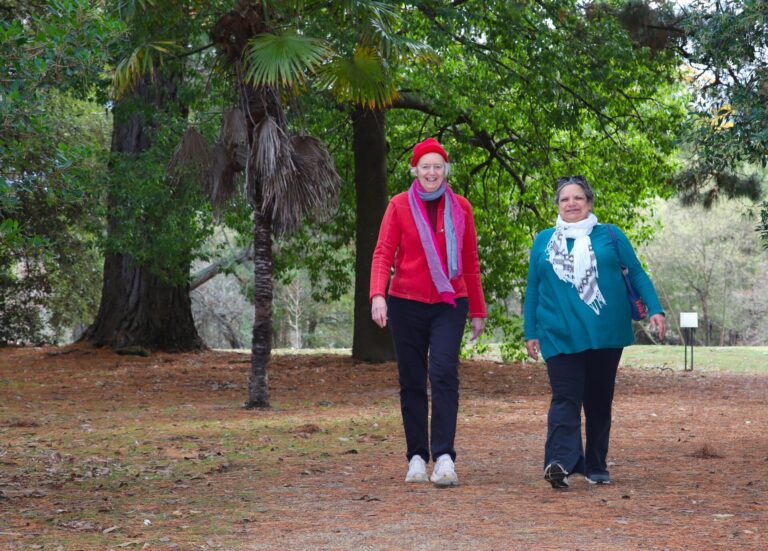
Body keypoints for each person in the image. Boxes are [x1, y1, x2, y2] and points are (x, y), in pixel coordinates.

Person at [523, 175, 667, 489]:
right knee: (565, 397)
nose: (571, 204)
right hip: (558, 332)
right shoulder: (543, 241)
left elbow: (638, 273)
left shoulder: (611, 236)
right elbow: (533, 287)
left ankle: (596, 463)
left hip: (605, 331)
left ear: (589, 203)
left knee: (599, 400)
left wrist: (655, 309)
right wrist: (530, 331)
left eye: (578, 198)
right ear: (558, 205)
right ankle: (559, 461)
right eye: (565, 199)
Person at [370, 137, 487, 487]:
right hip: (405, 302)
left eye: (438, 166)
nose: (431, 172)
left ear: (445, 170)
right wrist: (378, 295)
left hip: (450, 303)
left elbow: (469, 261)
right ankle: (417, 456)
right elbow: (382, 253)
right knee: (411, 380)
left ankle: (445, 457)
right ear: (415, 170)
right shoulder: (398, 205)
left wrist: (478, 309)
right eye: (425, 166)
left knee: (443, 373)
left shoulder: (462, 207)